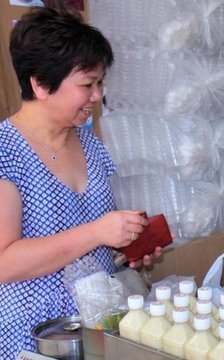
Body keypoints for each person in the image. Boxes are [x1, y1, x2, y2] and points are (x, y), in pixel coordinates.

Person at [0, 8, 160, 356]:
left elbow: (94, 236)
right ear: (40, 84)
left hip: (95, 326)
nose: (97, 96)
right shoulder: (6, 151)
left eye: (100, 83)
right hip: (31, 338)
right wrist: (98, 233)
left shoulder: (90, 144)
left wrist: (128, 243)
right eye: (87, 84)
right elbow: (4, 262)